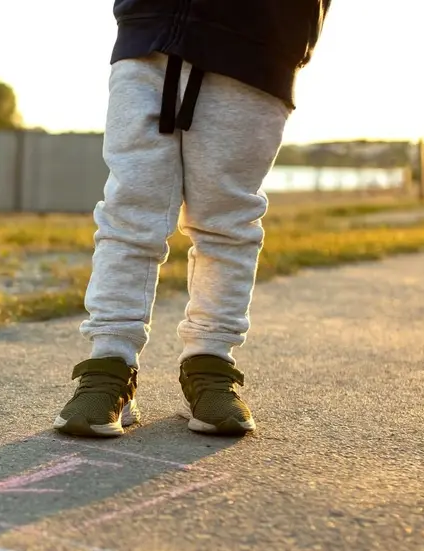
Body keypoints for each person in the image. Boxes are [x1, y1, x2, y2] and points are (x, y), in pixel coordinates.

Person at [54, 0, 332, 438]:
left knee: (227, 221)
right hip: (149, 33)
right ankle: (110, 363)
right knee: (130, 210)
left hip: (258, 45)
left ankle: (210, 362)